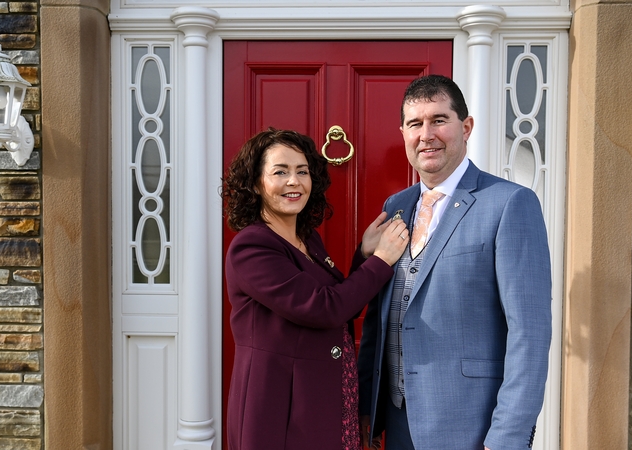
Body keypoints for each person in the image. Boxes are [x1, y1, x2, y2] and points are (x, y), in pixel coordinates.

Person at [356, 75, 552, 450]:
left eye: (438, 120)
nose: (426, 134)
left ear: (466, 127)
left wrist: (508, 436)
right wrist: (369, 403)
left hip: (472, 427)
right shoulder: (395, 207)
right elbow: (379, 318)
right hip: (397, 424)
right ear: (403, 134)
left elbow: (529, 333)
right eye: (415, 124)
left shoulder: (510, 203)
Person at [222, 128, 409, 450]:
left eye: (302, 171)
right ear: (256, 183)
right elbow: (325, 308)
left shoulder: (307, 239)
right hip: (281, 408)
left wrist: (363, 255)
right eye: (280, 172)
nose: (294, 181)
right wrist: (382, 260)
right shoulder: (251, 247)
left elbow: (339, 298)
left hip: (326, 396)